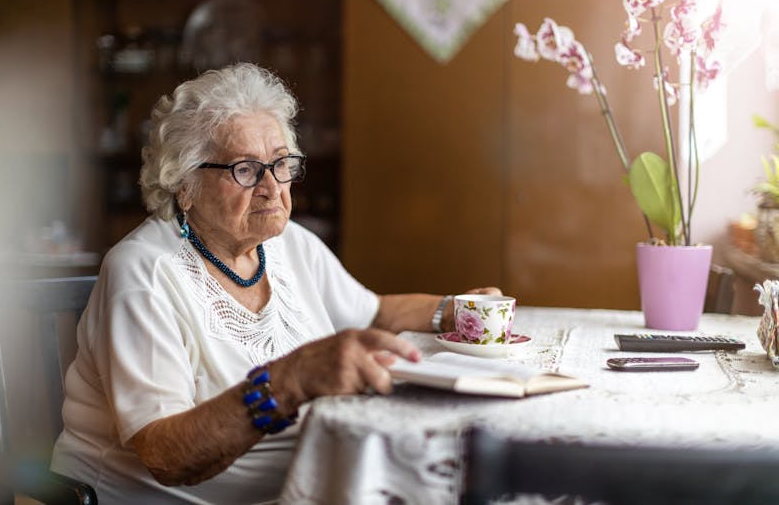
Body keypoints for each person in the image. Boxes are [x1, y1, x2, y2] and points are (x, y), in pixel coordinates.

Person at [51, 62, 501, 504]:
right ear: (184, 184)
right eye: (245, 170)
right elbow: (165, 455)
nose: (271, 187)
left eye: (281, 163)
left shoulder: (290, 245)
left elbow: (374, 312)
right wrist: (291, 379)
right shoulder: (143, 272)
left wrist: (456, 310)